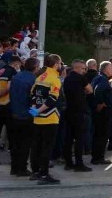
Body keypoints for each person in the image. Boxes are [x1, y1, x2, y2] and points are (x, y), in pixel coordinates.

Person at [29, 54, 63, 184]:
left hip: (37, 118)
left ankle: (35, 172)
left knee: (36, 146)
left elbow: (33, 94)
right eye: (60, 63)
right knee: (47, 147)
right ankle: (44, 174)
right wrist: (40, 110)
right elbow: (52, 99)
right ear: (55, 65)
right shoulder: (55, 79)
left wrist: (35, 108)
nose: (60, 66)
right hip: (50, 117)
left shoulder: (40, 77)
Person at [7, 57, 38, 177]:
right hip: (27, 115)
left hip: (14, 113)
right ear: (35, 67)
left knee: (15, 143)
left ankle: (14, 167)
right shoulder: (33, 80)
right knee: (25, 143)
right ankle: (22, 168)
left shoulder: (16, 76)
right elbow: (33, 98)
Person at [62, 59, 94, 172]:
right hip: (80, 111)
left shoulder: (67, 79)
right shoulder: (81, 78)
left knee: (69, 138)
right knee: (80, 138)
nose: (84, 71)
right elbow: (90, 90)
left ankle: (68, 163)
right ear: (77, 68)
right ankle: (79, 164)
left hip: (69, 110)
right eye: (83, 68)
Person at [91, 61, 112, 165]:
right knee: (103, 135)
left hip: (99, 112)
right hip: (104, 112)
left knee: (98, 134)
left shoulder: (97, 78)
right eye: (111, 68)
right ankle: (98, 157)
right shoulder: (103, 79)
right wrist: (101, 103)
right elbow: (98, 90)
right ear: (106, 69)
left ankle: (96, 156)